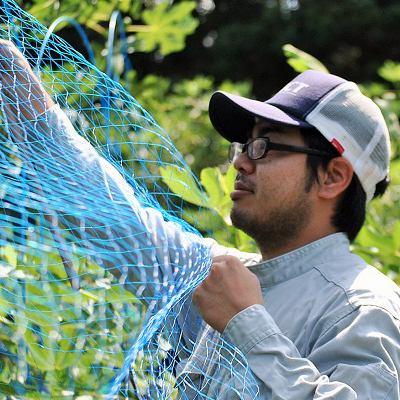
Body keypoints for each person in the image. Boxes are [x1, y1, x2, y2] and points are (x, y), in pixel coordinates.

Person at [0, 38, 400, 399]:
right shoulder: (221, 276)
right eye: (244, 145)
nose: (241, 161)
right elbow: (115, 220)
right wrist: (14, 82)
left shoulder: (363, 311)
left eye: (264, 146)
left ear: (332, 177)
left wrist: (248, 327)